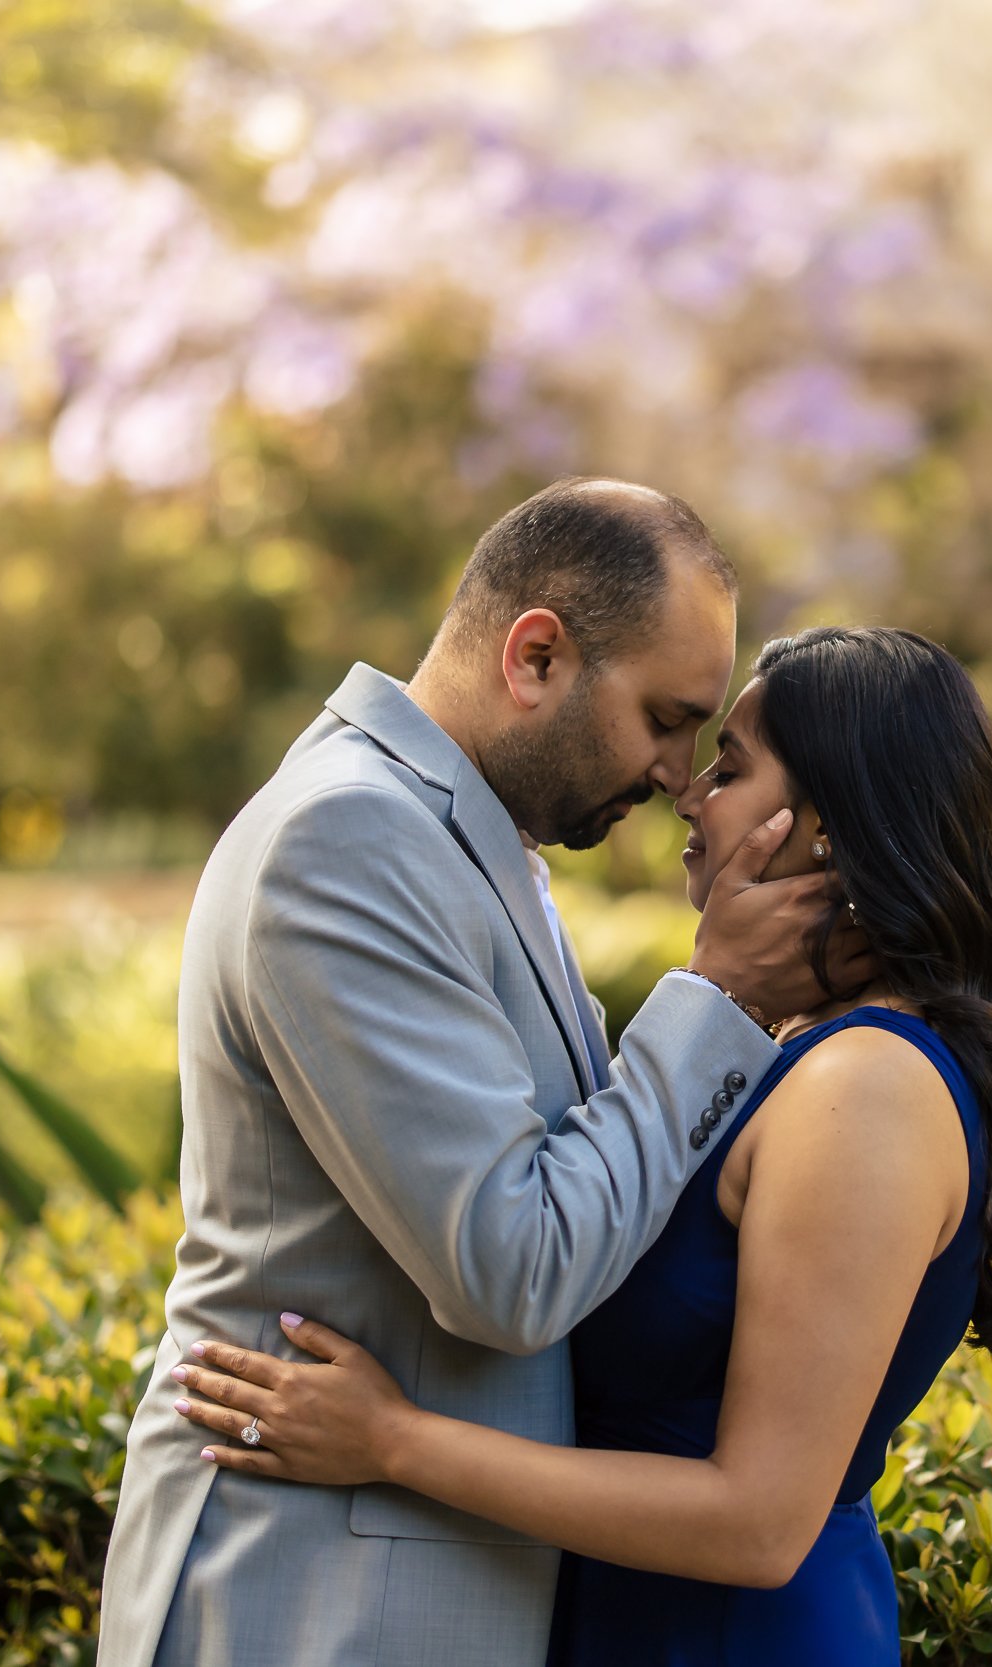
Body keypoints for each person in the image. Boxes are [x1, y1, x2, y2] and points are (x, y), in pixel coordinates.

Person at [161, 626, 992, 1665]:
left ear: (826, 823)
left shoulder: (864, 1085)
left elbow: (757, 1519)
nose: (689, 796)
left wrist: (395, 1440)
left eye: (729, 768)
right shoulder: (799, 1047)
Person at [95, 480, 867, 1667]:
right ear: (538, 654)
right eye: (665, 718)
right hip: (313, 1596)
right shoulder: (346, 840)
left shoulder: (465, 838)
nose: (676, 772)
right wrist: (720, 998)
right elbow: (514, 1264)